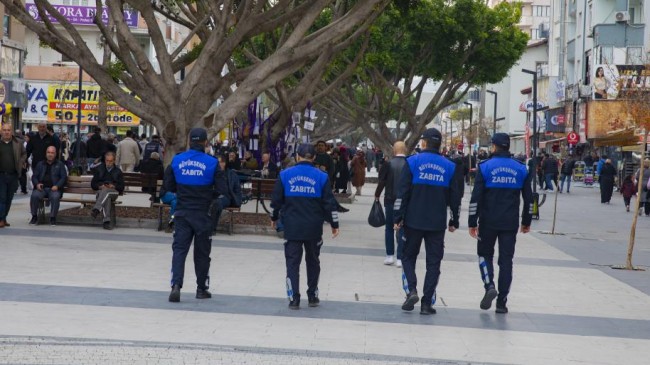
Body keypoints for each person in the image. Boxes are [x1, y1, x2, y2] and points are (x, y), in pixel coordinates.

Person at [394, 128, 461, 315]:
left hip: (413, 221)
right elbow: (455, 197)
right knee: (434, 263)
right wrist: (454, 220)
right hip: (437, 224)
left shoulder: (413, 162)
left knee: (408, 257)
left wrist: (397, 217)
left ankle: (411, 290)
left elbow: (403, 192)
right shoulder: (450, 166)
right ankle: (426, 303)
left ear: (423, 143)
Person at [468, 133, 533, 314]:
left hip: (488, 221)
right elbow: (529, 199)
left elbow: (476, 197)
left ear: (494, 147)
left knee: (484, 255)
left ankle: (489, 285)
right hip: (510, 223)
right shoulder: (521, 169)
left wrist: (472, 221)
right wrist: (526, 221)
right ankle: (502, 301)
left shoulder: (485, 167)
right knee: (506, 261)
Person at [271, 143, 340, 310]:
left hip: (292, 227)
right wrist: (334, 224)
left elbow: (276, 201)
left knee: (292, 263)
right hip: (313, 227)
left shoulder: (285, 175)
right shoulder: (322, 177)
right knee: (313, 261)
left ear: (297, 156)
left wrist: (273, 218)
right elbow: (330, 204)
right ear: (314, 157)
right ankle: (312, 295)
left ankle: (294, 298)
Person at [165, 128, 227, 303]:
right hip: (203, 214)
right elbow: (222, 190)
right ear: (205, 142)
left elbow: (168, 185)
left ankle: (176, 285)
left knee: (179, 251)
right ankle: (201, 288)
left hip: (182, 212)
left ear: (189, 141)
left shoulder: (177, 160)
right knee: (202, 253)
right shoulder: (212, 163)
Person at [375, 141, 407, 267]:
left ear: (394, 150)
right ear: (405, 150)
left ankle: (389, 256)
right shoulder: (409, 164)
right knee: (403, 228)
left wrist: (377, 194)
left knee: (389, 228)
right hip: (405, 202)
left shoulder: (388, 164)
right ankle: (400, 257)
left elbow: (382, 181)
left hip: (390, 199)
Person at [29, 146, 67, 226]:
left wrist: (57, 186)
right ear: (46, 154)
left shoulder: (60, 164)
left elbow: (63, 177)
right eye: (48, 152)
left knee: (55, 197)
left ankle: (53, 217)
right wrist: (37, 184)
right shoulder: (40, 164)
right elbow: (34, 176)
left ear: (55, 154)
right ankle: (34, 216)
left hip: (54, 189)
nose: (50, 154)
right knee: (34, 195)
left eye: (52, 153)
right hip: (41, 189)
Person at [0, 123, 26, 228]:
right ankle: (1, 219)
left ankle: (4, 218)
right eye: (4, 130)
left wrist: (21, 161)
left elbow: (24, 154)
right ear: (1, 131)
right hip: (1, 175)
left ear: (11, 131)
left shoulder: (18, 143)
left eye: (8, 130)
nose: (6, 132)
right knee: (2, 198)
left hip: (13, 175)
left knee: (9, 199)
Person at [90, 151, 125, 230]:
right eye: (107, 161)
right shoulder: (99, 169)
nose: (108, 163)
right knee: (106, 197)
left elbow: (121, 187)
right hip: (101, 191)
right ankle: (106, 222)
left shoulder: (118, 171)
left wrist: (113, 186)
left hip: (113, 192)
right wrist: (100, 186)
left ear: (114, 161)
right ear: (105, 160)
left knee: (106, 192)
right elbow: (93, 184)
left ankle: (96, 209)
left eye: (111, 161)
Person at [212, 154, 243, 232]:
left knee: (217, 203)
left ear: (224, 163)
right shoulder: (212, 173)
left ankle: (212, 228)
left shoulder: (232, 175)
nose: (218, 165)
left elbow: (237, 190)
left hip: (226, 197)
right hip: (213, 196)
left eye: (219, 162)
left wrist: (238, 200)